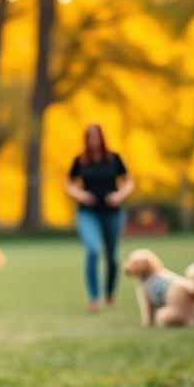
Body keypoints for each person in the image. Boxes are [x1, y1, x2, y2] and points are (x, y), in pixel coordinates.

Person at [64, 124, 134, 312]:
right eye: (89, 137)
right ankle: (94, 298)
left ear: (102, 137)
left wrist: (119, 196)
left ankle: (110, 294)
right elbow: (69, 183)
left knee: (112, 256)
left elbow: (128, 181)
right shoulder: (80, 161)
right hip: (88, 213)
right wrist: (80, 195)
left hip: (112, 212)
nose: (93, 140)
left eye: (96, 136)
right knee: (93, 250)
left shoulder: (113, 158)